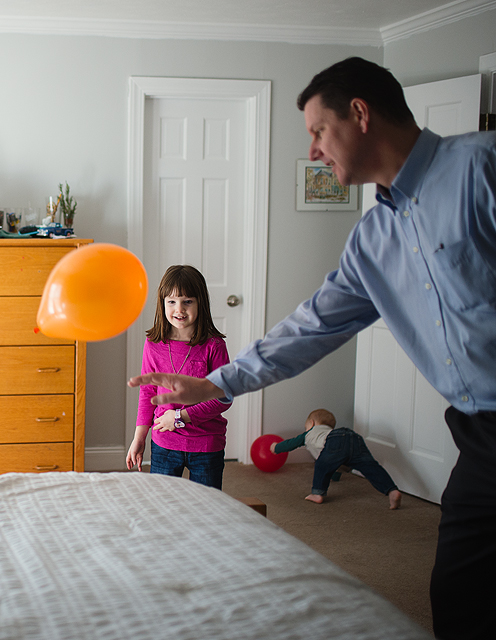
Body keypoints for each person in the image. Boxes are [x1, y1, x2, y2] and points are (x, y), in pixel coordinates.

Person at [127, 56, 496, 640]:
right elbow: (309, 329)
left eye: (318, 131)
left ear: (360, 113)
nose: (314, 152)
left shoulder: (481, 168)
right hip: (480, 438)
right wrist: (216, 384)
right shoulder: (374, 239)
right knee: (460, 593)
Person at [125, 265, 231, 488]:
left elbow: (224, 397)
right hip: (164, 443)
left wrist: (181, 416)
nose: (179, 309)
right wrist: (139, 437)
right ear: (162, 303)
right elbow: (148, 393)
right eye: (171, 302)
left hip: (206, 445)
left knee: (206, 510)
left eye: (187, 301)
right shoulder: (153, 344)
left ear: (200, 302)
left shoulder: (214, 345)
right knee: (162, 507)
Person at [271, 408, 402, 509]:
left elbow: (291, 443)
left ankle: (317, 493)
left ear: (311, 424)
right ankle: (391, 490)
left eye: (306, 427)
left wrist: (276, 448)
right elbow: (333, 464)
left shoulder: (310, 433)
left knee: (321, 464)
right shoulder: (329, 433)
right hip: (355, 438)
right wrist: (335, 476)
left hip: (334, 441)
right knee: (371, 468)